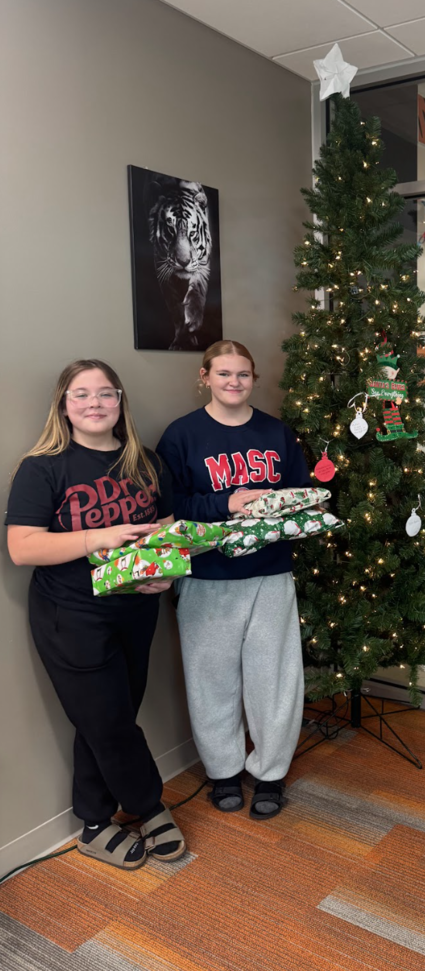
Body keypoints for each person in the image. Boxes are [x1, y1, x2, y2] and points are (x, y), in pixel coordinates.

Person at [6, 360, 186, 870]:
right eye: (81, 394)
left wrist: (166, 574)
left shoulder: (146, 462)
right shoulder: (43, 467)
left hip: (136, 609)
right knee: (108, 721)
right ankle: (149, 806)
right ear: (63, 405)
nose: (95, 404)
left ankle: (92, 822)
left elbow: (167, 530)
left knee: (107, 719)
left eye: (106, 394)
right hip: (71, 615)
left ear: (120, 402)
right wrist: (96, 539)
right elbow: (22, 547)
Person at [156, 340, 309, 819]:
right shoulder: (181, 436)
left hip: (269, 572)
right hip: (207, 576)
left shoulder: (276, 432)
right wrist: (228, 502)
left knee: (276, 681)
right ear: (204, 377)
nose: (234, 383)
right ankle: (222, 771)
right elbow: (169, 508)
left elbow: (300, 493)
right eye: (223, 374)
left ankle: (270, 773)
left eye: (243, 374)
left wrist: (285, 506)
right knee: (210, 681)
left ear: (253, 379)